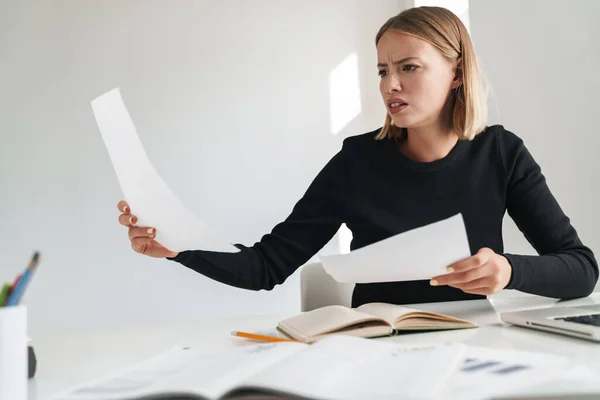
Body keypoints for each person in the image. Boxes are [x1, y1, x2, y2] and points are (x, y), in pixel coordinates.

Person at [116, 6, 598, 307]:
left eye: (409, 67)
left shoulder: (501, 152)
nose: (390, 84)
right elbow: (266, 267)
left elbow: (581, 270)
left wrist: (510, 271)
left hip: (473, 347)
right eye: (383, 70)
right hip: (373, 348)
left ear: (456, 73)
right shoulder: (356, 162)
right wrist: (176, 248)